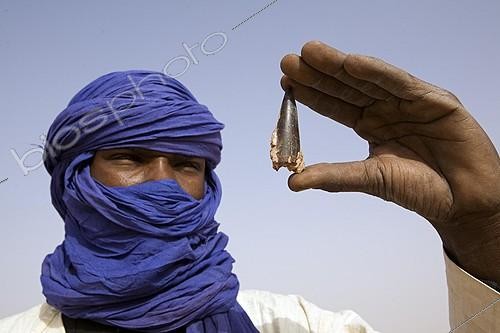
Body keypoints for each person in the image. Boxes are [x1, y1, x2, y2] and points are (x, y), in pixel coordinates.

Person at [0, 41, 498, 333]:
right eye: (129, 157)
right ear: (74, 179)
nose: (163, 184)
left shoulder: (294, 324)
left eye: (185, 164)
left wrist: (482, 232)